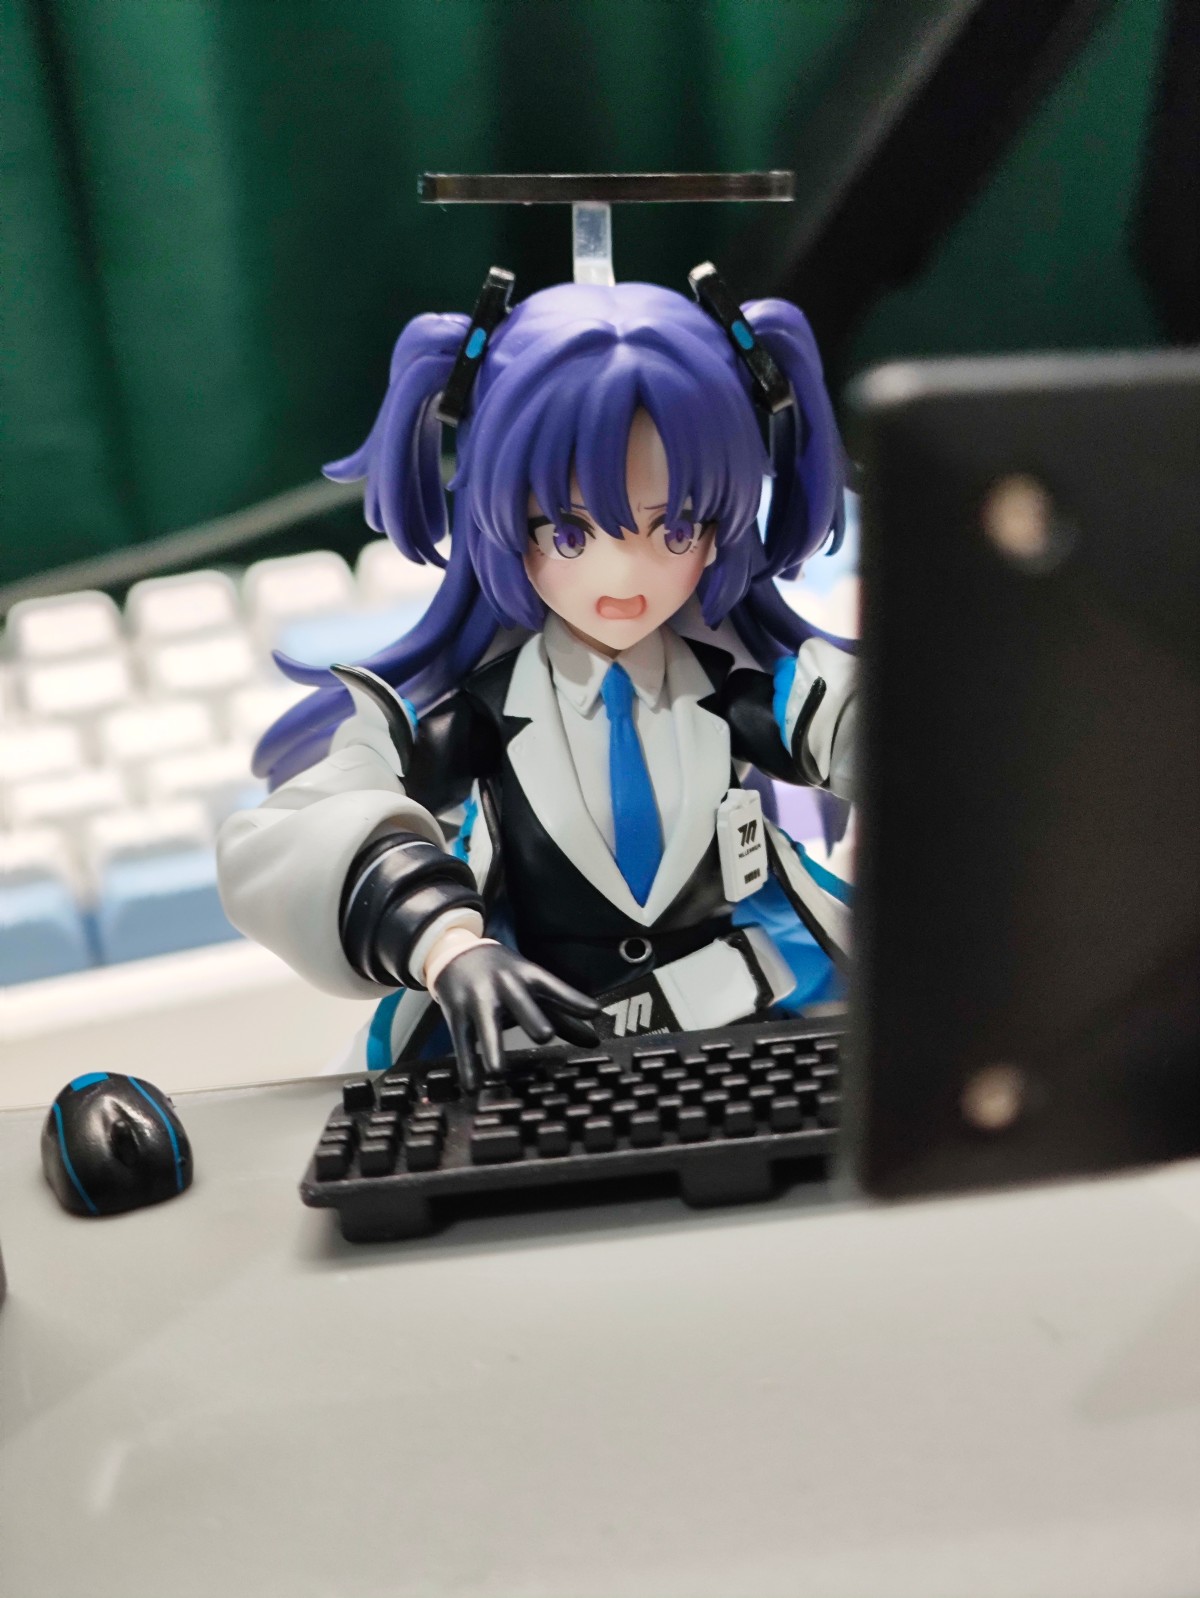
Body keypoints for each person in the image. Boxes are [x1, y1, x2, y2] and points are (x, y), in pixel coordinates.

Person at [217, 278, 857, 1088]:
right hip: (542, 1045)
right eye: (569, 533)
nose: (623, 580)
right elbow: (295, 835)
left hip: (733, 1028)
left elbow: (882, 737)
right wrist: (447, 946)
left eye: (676, 529)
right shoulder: (480, 721)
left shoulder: (735, 697)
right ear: (500, 522)